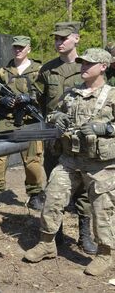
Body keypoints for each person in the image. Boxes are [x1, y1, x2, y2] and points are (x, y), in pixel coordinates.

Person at [24, 48, 115, 276]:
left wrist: (106, 128)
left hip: (99, 164)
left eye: (88, 64)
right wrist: (58, 118)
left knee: (102, 209)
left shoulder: (112, 96)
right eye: (82, 63)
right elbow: (51, 115)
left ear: (103, 67)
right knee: (53, 198)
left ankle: (105, 254)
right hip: (69, 159)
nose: (83, 67)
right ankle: (47, 244)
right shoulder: (72, 93)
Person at [36, 21, 97, 254]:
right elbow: (39, 101)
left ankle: (84, 235)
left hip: (82, 140)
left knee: (83, 188)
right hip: (54, 138)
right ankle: (55, 234)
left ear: (76, 39)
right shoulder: (47, 69)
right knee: (54, 187)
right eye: (56, 38)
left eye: (63, 38)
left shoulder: (88, 66)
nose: (58, 42)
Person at [0, 36, 45, 209]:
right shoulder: (2, 72)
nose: (18, 50)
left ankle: (35, 195)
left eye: (22, 47)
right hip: (7, 120)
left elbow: (44, 94)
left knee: (32, 159)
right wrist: (1, 101)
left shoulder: (39, 70)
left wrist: (30, 98)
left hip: (30, 120)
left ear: (29, 49)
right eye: (15, 47)